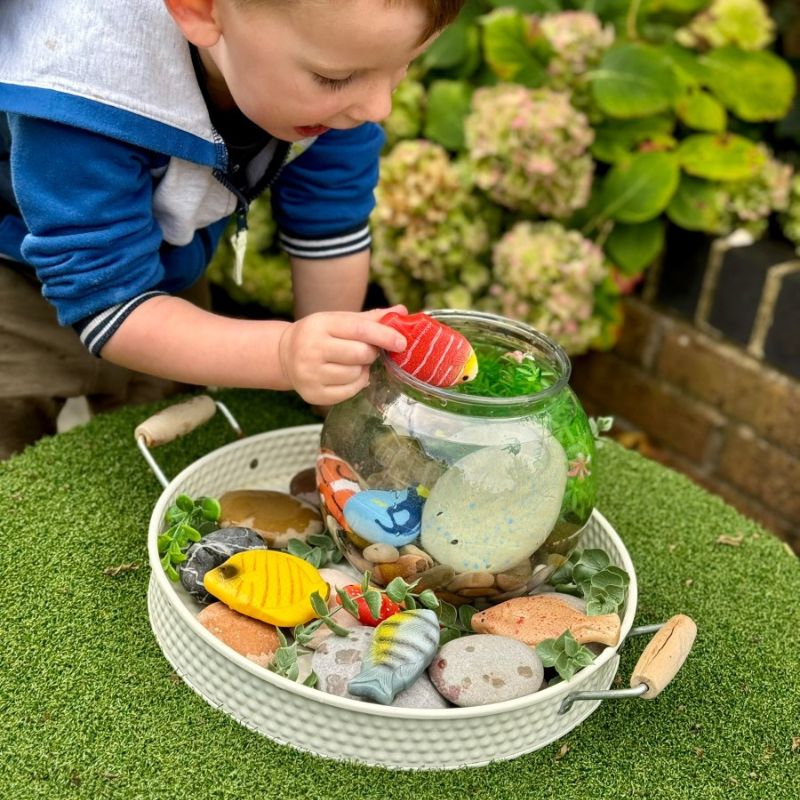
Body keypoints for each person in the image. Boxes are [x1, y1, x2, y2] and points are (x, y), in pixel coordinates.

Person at [0, 0, 464, 458]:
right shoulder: (86, 84)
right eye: (335, 77)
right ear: (201, 11)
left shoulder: (339, 68)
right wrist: (283, 354)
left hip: (162, 265)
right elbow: (107, 297)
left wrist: (333, 373)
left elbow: (330, 223)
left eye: (406, 64)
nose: (377, 105)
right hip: (15, 281)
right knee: (14, 444)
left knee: (167, 432)